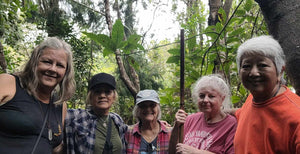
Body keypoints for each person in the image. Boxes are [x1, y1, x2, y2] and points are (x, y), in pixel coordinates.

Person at [0, 37, 75, 154]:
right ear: (35, 62)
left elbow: (53, 147)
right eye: (47, 62)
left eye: (60, 65)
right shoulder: (8, 83)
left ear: (66, 72)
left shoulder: (60, 105)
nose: (52, 69)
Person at [234, 35, 300, 153]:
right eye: (246, 66)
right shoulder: (252, 99)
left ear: (280, 71)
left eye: (262, 65)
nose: (253, 73)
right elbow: (249, 114)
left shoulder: (296, 116)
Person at [169, 74, 237, 154]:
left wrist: (195, 152)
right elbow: (172, 151)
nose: (205, 100)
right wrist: (176, 127)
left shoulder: (231, 124)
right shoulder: (190, 119)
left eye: (211, 96)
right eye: (201, 96)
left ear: (222, 98)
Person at [64, 72, 127, 154]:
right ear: (91, 96)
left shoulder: (117, 120)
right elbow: (56, 110)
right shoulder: (78, 116)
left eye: (107, 92)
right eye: (97, 92)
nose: (102, 95)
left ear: (114, 97)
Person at [125, 89, 172, 154]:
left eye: (152, 105)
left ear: (158, 108)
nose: (148, 109)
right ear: (137, 110)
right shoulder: (128, 133)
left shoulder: (170, 133)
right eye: (143, 106)